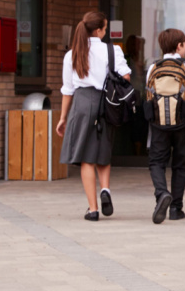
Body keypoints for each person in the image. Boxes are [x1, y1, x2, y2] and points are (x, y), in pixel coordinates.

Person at [55, 11, 131, 221]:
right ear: (98, 30)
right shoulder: (112, 50)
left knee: (86, 158)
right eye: (105, 28)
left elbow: (67, 89)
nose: (105, 32)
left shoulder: (72, 54)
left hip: (81, 103)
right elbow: (126, 76)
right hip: (105, 103)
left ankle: (93, 209)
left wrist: (62, 118)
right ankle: (105, 189)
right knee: (102, 150)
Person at [146, 28, 185, 223]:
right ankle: (176, 208)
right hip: (183, 123)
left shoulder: (153, 68)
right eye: (184, 44)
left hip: (158, 124)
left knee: (156, 162)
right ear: (179, 46)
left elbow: (149, 94)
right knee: (180, 165)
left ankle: (161, 194)